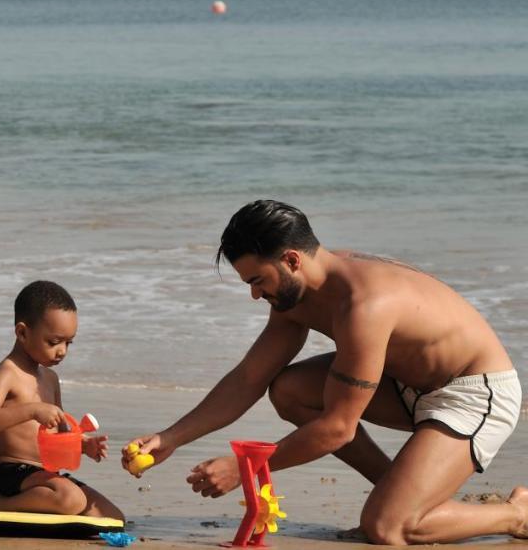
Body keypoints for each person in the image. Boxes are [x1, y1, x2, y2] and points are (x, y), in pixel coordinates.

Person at [126, 199, 526, 544]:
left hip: (473, 393)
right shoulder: (295, 293)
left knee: (388, 528)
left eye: (257, 280)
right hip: (404, 384)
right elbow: (250, 377)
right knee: (289, 389)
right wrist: (172, 437)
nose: (253, 294)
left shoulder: (364, 304)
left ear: (292, 260)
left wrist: (245, 469)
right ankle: (400, 490)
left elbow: (338, 428)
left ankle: (515, 514)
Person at [0, 281, 124, 520]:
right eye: (54, 342)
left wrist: (83, 444)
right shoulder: (9, 372)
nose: (62, 351)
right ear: (22, 333)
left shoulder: (50, 378)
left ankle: (44, 503)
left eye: (68, 342)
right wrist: (31, 410)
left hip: (44, 475)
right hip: (12, 472)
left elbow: (60, 435)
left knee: (112, 516)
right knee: (71, 499)